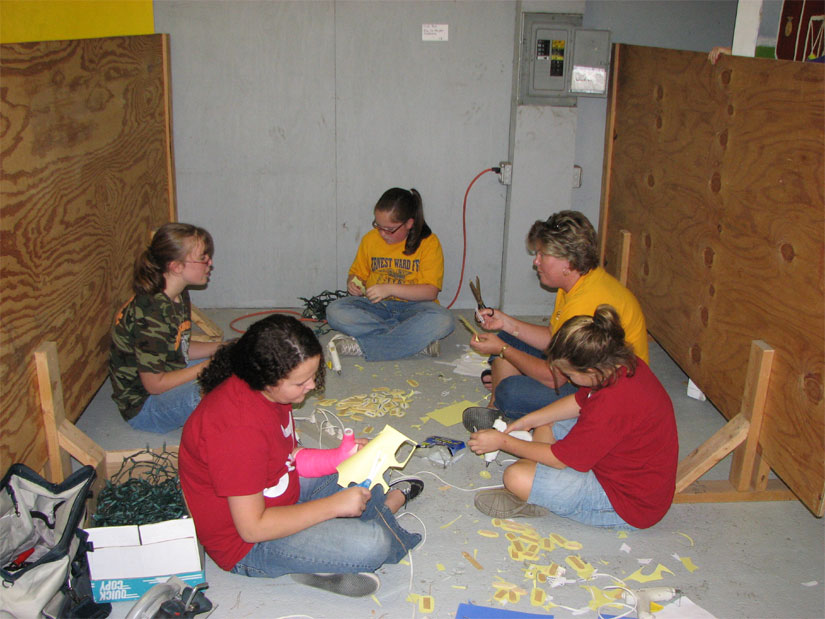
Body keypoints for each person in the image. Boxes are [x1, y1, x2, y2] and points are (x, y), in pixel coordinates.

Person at [179, 314, 423, 597]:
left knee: (369, 467)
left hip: (278, 491)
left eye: (313, 375)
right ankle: (379, 513)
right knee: (373, 544)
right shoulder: (236, 431)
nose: (312, 386)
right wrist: (332, 506)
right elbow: (252, 529)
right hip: (248, 545)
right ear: (267, 379)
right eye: (301, 382)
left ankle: (351, 527)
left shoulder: (270, 393)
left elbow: (289, 456)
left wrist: (341, 456)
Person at [468, 305, 678, 528]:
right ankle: (539, 482)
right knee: (546, 421)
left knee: (515, 477)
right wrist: (531, 419)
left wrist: (503, 442)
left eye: (569, 374)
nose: (566, 378)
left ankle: (537, 494)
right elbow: (579, 401)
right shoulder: (618, 364)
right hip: (615, 461)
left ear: (591, 371)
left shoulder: (613, 402)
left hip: (626, 503)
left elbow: (560, 460)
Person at [462, 210, 648, 429]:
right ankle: (495, 409)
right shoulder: (576, 282)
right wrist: (505, 322)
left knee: (510, 391)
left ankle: (506, 406)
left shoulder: (585, 303)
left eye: (542, 255)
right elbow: (553, 337)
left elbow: (555, 378)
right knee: (507, 336)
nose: (536, 261)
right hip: (578, 369)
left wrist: (503, 350)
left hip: (605, 392)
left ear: (568, 262)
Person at [109, 222, 222, 433]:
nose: (210, 262)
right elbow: (155, 385)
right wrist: (209, 365)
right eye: (203, 258)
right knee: (218, 385)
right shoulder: (151, 314)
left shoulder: (178, 294)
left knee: (235, 361)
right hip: (145, 407)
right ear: (176, 266)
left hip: (170, 373)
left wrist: (223, 348)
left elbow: (180, 346)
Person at [325, 187, 454, 361]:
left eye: (389, 229)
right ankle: (414, 340)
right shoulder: (370, 239)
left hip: (415, 308)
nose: (382, 233)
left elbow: (430, 292)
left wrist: (390, 289)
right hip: (376, 306)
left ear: (409, 223)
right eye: (378, 226)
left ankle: (364, 346)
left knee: (444, 320)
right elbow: (357, 273)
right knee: (334, 310)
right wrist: (353, 282)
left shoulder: (429, 243)